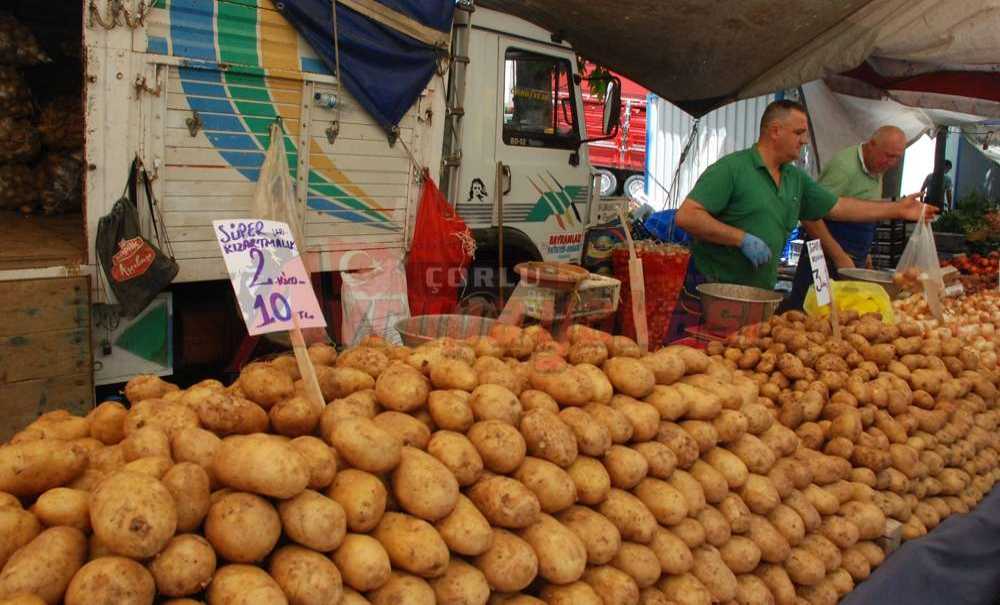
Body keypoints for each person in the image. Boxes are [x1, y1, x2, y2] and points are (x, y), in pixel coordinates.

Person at [666, 100, 934, 340]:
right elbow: (687, 215)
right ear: (775, 131)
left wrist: (896, 210)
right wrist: (740, 238)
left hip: (758, 297)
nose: (804, 140)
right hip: (711, 296)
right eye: (798, 132)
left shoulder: (794, 178)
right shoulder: (732, 169)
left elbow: (838, 206)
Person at [783, 125, 907, 311]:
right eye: (888, 156)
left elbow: (864, 211)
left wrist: (866, 253)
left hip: (853, 257)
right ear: (872, 144)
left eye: (897, 158)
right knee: (810, 311)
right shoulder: (844, 167)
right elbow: (810, 213)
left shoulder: (877, 168)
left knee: (843, 312)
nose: (891, 163)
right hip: (821, 255)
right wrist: (838, 256)